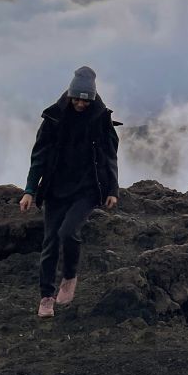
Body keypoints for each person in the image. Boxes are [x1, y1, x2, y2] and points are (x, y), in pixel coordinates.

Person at [19, 66, 120, 318]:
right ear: (69, 95)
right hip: (55, 189)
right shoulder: (54, 119)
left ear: (92, 98)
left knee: (68, 232)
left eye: (85, 100)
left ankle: (70, 276)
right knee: (50, 242)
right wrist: (30, 190)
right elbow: (39, 157)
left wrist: (112, 190)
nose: (80, 104)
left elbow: (109, 157)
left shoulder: (100, 120)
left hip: (86, 190)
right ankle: (46, 297)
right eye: (76, 99)